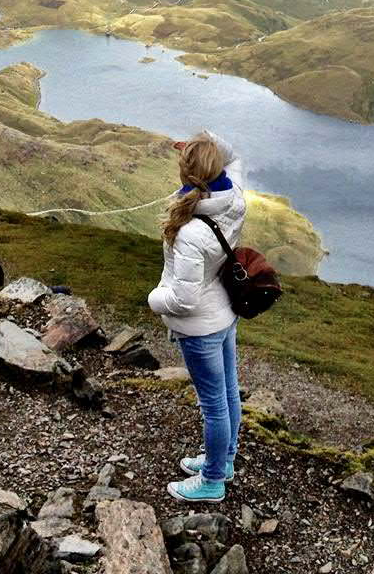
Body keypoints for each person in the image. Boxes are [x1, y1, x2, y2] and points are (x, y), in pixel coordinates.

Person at [147, 131, 245, 502]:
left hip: (200, 325)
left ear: (188, 175)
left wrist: (154, 299)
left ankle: (213, 480)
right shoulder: (234, 195)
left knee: (213, 404)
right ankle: (226, 459)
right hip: (224, 312)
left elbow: (184, 299)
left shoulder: (189, 231)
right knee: (228, 391)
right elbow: (233, 155)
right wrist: (202, 145)